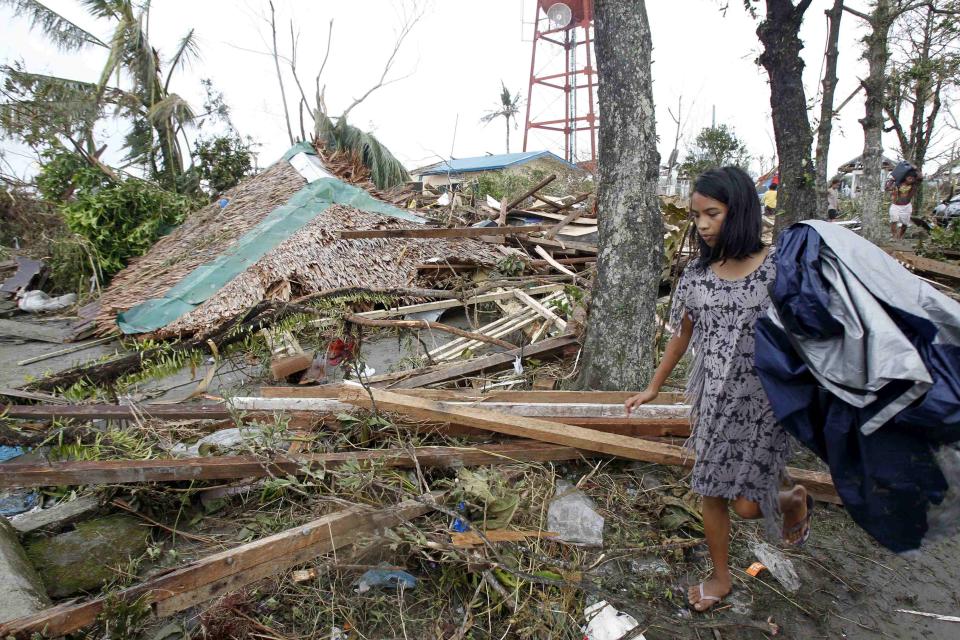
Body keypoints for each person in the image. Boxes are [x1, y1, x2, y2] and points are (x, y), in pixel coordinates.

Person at [625, 166, 811, 613]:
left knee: (748, 506)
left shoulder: (777, 269)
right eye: (697, 216)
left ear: (740, 211)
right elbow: (681, 334)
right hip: (712, 400)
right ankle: (721, 577)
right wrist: (653, 387)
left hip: (766, 405)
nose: (703, 225)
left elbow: (807, 329)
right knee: (711, 491)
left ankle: (793, 499)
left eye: (713, 213)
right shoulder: (697, 275)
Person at [885, 168, 922, 240]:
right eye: (909, 178)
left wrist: (916, 169)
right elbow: (887, 188)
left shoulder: (914, 185)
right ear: (905, 177)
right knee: (894, 220)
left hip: (906, 206)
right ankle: (894, 236)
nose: (911, 179)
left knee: (905, 223)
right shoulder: (898, 183)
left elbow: (920, 178)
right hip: (896, 205)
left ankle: (900, 237)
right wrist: (892, 180)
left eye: (912, 178)